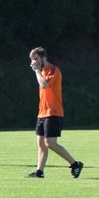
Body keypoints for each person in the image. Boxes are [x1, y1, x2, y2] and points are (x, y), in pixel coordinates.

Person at [28, 47, 83, 179]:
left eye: (36, 59)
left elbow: (44, 85)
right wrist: (38, 71)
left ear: (44, 58)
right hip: (42, 112)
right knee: (41, 144)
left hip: (53, 112)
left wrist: (37, 71)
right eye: (32, 60)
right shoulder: (41, 71)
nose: (34, 62)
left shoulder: (53, 70)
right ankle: (39, 172)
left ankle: (75, 164)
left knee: (50, 143)